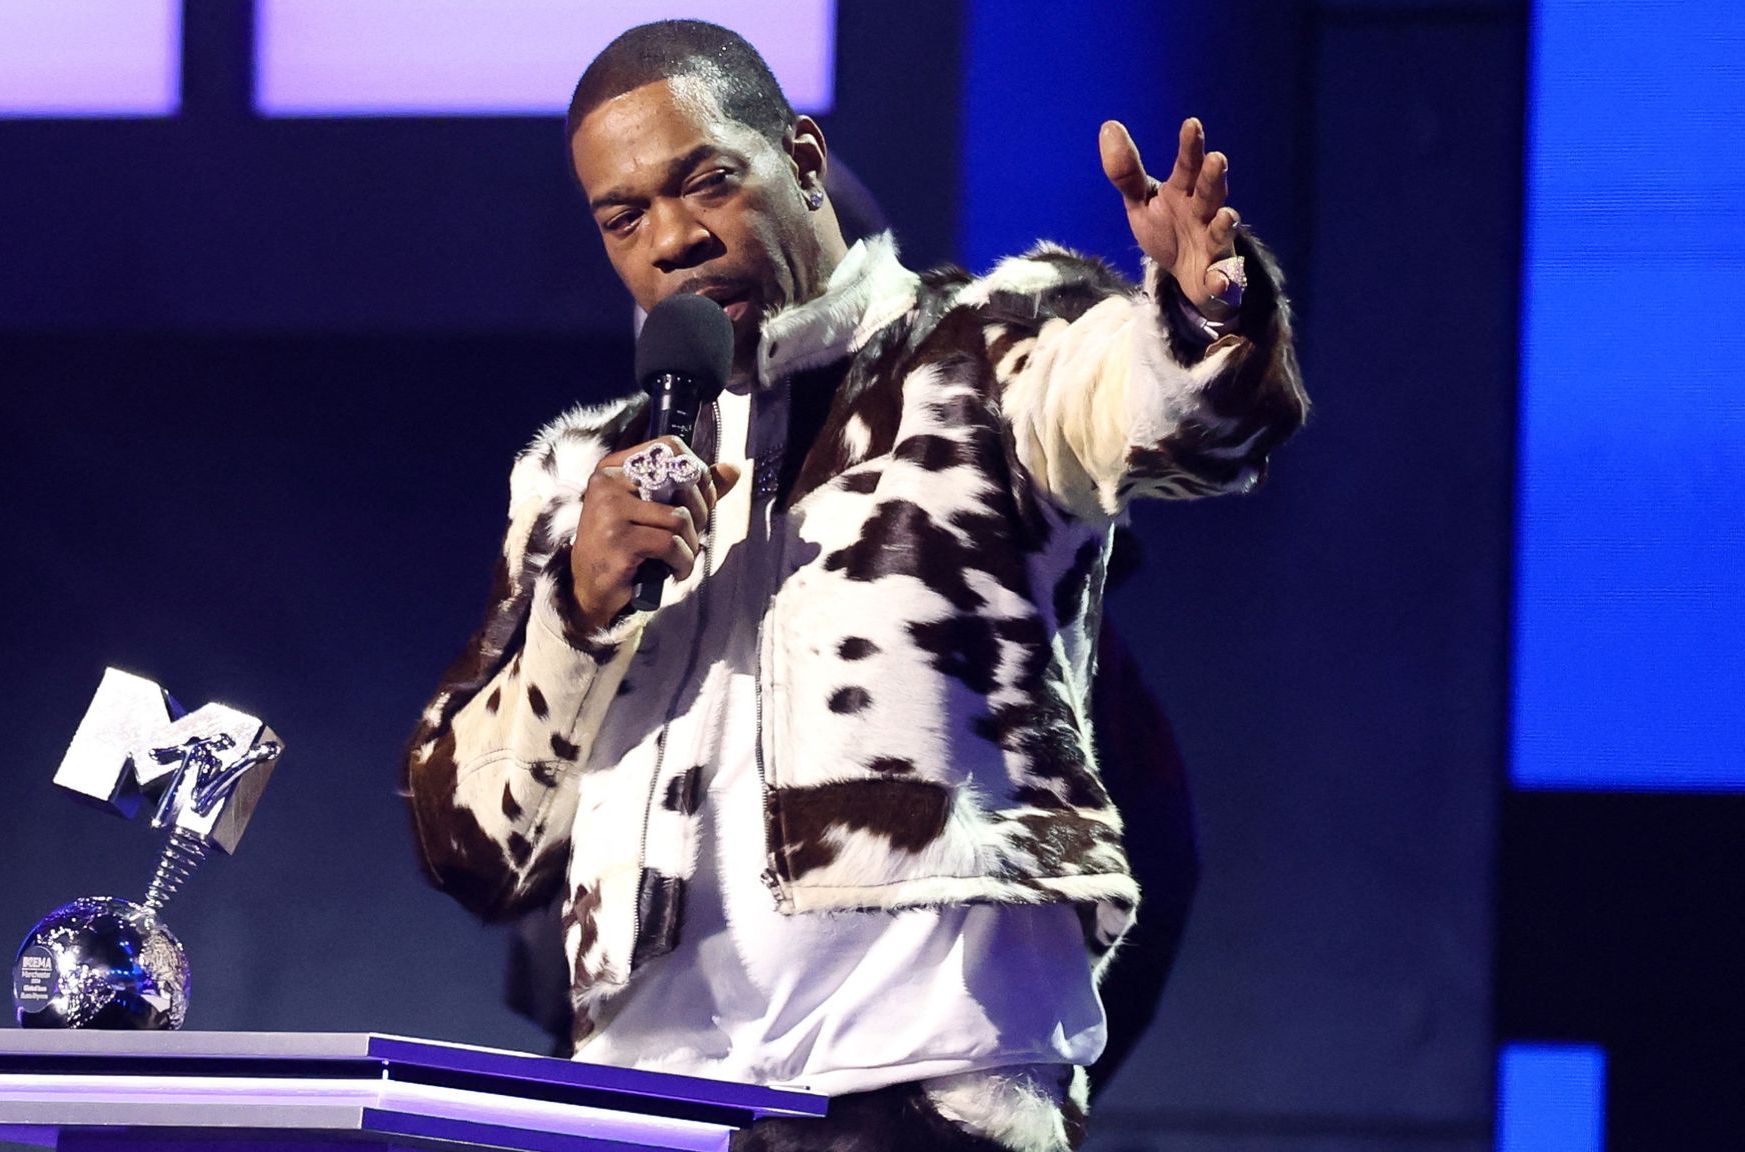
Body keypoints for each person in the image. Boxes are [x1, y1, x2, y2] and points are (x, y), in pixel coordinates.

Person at [402, 20, 1305, 1152]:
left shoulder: (991, 354)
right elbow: (471, 850)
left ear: (805, 160)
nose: (671, 241)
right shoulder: (580, 481)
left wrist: (1205, 314)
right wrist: (574, 617)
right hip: (644, 1102)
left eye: (707, 182)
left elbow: (1189, 420)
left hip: (928, 1085)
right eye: (623, 217)